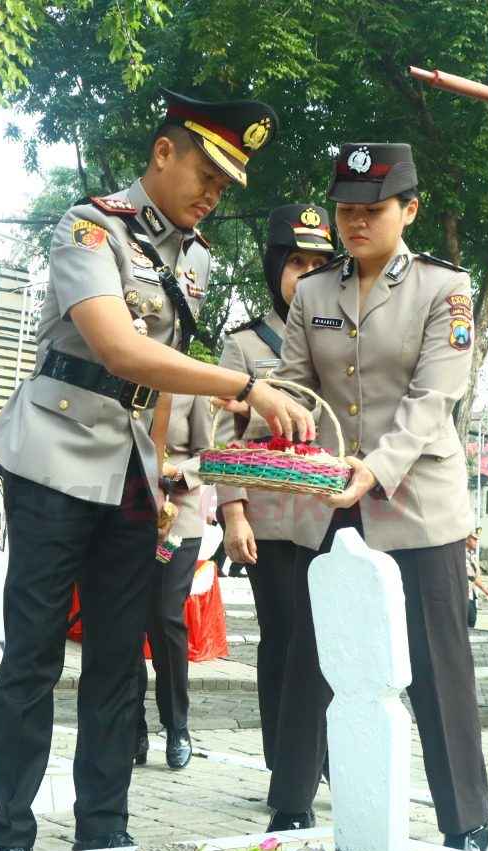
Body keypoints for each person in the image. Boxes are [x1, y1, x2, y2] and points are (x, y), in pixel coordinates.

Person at [0, 88, 314, 851]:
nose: (212, 193)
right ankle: (12, 834)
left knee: (117, 655)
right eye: (205, 172)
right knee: (32, 650)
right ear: (163, 152)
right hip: (53, 455)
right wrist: (242, 385)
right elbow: (121, 351)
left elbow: (156, 386)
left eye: (226, 185)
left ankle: (104, 827)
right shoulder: (89, 227)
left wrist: (164, 472)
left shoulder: (193, 256)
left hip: (130, 472)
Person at [267, 142, 488, 851]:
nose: (355, 223)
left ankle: (466, 820)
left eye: (372, 210)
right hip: (332, 494)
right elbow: (296, 383)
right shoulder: (312, 292)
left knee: (436, 660)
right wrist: (274, 424)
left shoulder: (444, 289)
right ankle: (290, 805)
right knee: (310, 652)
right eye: (345, 210)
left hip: (417, 498)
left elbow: (435, 399)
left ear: (409, 209)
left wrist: (379, 466)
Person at [218, 203, 336, 767]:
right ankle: (287, 762)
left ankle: (331, 757)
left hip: (333, 516)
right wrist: (234, 513)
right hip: (270, 521)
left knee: (332, 640)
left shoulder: (342, 339)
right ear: (274, 269)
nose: (307, 274)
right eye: (296, 262)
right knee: (284, 638)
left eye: (320, 263)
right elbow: (226, 437)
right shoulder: (246, 346)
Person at [134, 395, 213, 770]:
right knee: (125, 624)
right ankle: (131, 726)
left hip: (176, 521)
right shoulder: (123, 373)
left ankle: (177, 725)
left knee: (166, 619)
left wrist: (178, 473)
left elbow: (208, 455)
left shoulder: (190, 389)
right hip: (126, 515)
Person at [466, 532, 488, 629]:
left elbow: (476, 576)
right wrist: (484, 589)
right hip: (463, 593)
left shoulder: (472, 555)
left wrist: (486, 590)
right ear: (466, 539)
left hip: (471, 593)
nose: (476, 542)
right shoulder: (461, 555)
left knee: (472, 620)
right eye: (474, 539)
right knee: (469, 620)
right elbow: (471, 576)